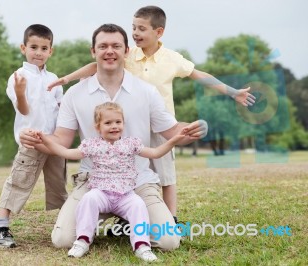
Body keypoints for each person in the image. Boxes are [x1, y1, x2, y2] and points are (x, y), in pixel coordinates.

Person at [47, 6, 255, 225]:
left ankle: (171, 218)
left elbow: (199, 75)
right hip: (131, 123)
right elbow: (94, 65)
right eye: (133, 28)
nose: (136, 33)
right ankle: (126, 217)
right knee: (125, 167)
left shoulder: (172, 58)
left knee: (165, 174)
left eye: (142, 29)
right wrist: (66, 79)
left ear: (159, 32)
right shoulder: (129, 54)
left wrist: (232, 92)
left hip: (163, 124)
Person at [20, 23, 208, 251]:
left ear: (126, 51)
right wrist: (40, 139)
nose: (110, 51)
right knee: (63, 240)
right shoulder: (75, 94)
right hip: (93, 182)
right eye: (103, 46)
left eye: (116, 46)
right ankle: (113, 222)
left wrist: (194, 129)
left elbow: (173, 130)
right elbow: (62, 140)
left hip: (138, 181)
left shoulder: (146, 91)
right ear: (93, 52)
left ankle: (132, 218)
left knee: (168, 242)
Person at [36, 102, 193, 261]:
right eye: (108, 123)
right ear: (98, 127)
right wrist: (44, 140)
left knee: (138, 204)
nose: (114, 126)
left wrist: (173, 141)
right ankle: (83, 240)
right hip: (101, 193)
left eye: (118, 122)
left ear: (123, 124)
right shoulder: (93, 145)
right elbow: (66, 152)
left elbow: (155, 152)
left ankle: (141, 245)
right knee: (89, 199)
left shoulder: (131, 143)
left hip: (125, 195)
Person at [0, 24, 67, 248]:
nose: (38, 52)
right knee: (19, 182)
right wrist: (21, 93)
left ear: (51, 51)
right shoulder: (18, 77)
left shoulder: (54, 78)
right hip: (31, 141)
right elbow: (22, 110)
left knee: (58, 185)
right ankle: (0, 227)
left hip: (53, 142)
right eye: (33, 47)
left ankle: (69, 225)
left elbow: (61, 110)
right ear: (24, 48)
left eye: (44, 48)